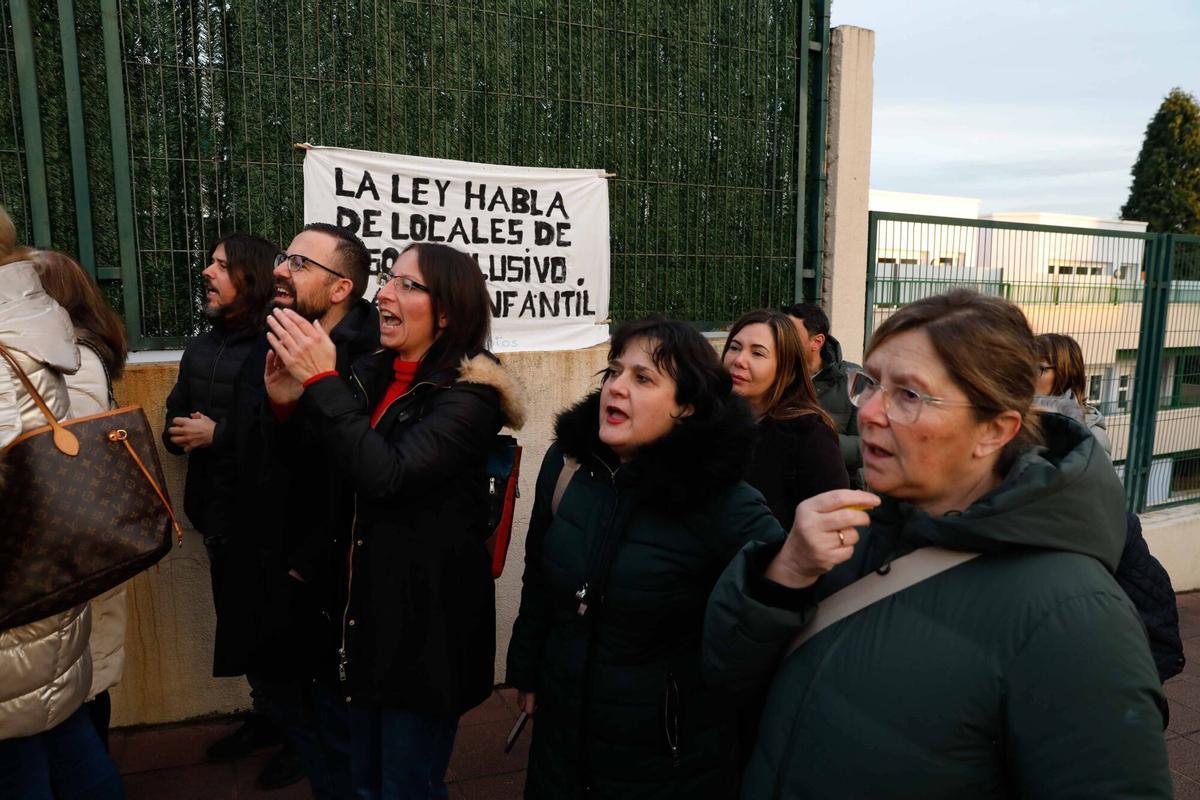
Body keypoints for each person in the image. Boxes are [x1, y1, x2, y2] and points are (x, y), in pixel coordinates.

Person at [705, 289, 1172, 798]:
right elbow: (729, 683)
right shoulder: (855, 532)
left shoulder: (1078, 618)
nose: (869, 413)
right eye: (872, 384)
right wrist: (781, 577)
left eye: (908, 395)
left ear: (994, 430)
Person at [263, 241, 524, 799]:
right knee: (362, 780)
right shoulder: (370, 372)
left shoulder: (473, 393)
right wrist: (288, 403)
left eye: (409, 285)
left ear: (449, 312)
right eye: (388, 279)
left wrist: (321, 384)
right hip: (360, 620)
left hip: (422, 631)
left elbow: (389, 476)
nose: (383, 293)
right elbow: (328, 467)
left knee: (406, 784)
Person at [507, 317, 784, 799]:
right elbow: (540, 578)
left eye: (643, 378)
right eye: (613, 372)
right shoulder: (568, 466)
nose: (616, 387)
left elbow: (771, 614)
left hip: (665, 759)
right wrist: (528, 670)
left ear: (687, 408)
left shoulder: (726, 503)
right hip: (561, 743)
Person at [208, 221, 379, 796]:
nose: (280, 269)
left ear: (341, 290)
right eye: (286, 257)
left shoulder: (368, 357)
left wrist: (307, 558)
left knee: (337, 721)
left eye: (301, 264)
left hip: (320, 578)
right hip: (263, 557)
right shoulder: (275, 334)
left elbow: (352, 474)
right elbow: (260, 448)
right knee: (290, 703)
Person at [0, 208, 125, 798]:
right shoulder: (34, 332)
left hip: (26, 584)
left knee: (34, 757)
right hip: (43, 579)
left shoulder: (17, 349)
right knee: (60, 736)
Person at [159, 233, 292, 777]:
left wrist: (222, 435)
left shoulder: (279, 345)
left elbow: (293, 434)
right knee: (241, 627)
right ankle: (268, 717)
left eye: (220, 265)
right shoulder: (200, 346)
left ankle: (300, 736)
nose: (207, 273)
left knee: (281, 631)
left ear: (252, 278)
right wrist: (181, 434)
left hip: (270, 521)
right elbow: (175, 419)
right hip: (216, 517)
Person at [32, 250, 131, 750]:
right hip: (78, 551)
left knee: (82, 689)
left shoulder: (72, 362)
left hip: (77, 553)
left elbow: (73, 462)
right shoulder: (69, 355)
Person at [722, 309, 848, 527]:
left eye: (758, 353)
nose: (739, 360)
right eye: (734, 347)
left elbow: (835, 528)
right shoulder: (707, 421)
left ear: (786, 368)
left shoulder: (810, 436)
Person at [783, 303, 862, 483]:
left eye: (790, 335)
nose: (782, 340)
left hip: (836, 487)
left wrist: (815, 442)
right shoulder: (776, 375)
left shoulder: (855, 379)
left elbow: (866, 447)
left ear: (817, 342)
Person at [1034, 332, 1111, 456]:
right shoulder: (1020, 417)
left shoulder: (1091, 436)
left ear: (1065, 374)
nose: (1027, 375)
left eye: (1038, 369)